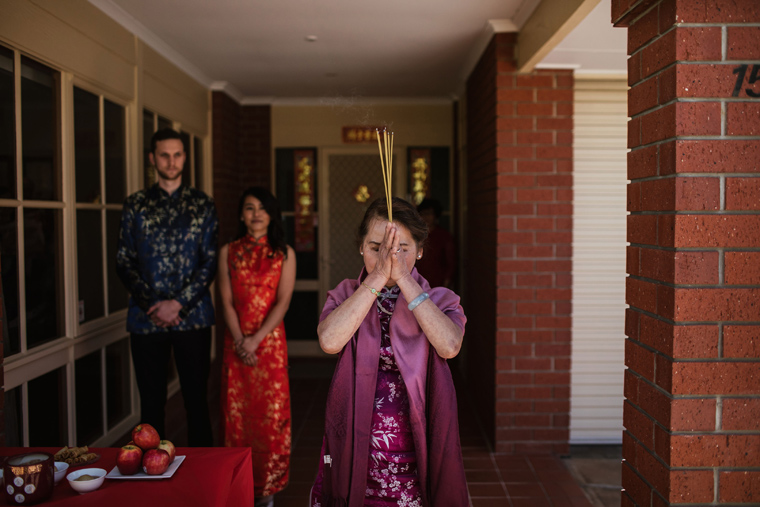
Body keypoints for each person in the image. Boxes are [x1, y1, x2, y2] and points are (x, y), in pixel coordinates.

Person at [310, 197, 468, 507]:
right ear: (361, 248)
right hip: (357, 442)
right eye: (376, 247)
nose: (389, 257)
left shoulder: (440, 299)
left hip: (418, 442)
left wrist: (404, 279)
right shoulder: (345, 294)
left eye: (401, 248)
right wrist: (378, 278)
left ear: (421, 250)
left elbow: (449, 345)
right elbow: (330, 341)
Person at [116, 128, 217, 447]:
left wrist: (178, 305)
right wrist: (154, 304)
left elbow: (209, 262)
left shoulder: (202, 204)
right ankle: (152, 479)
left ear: (184, 157)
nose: (171, 161)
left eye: (177, 155)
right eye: (164, 155)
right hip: (147, 320)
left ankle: (203, 479)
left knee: (197, 402)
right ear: (152, 158)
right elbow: (124, 260)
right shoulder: (136, 205)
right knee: (150, 408)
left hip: (194, 318)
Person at [218, 187, 296, 507]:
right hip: (236, 346)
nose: (256, 214)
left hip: (269, 345)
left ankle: (268, 491)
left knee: (271, 418)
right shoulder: (228, 251)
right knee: (235, 418)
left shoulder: (284, 253)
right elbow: (225, 300)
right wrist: (240, 340)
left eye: (263, 208)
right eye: (249, 208)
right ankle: (238, 486)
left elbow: (283, 302)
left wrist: (255, 339)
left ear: (272, 214)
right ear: (241, 215)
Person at [415, 198, 456, 289]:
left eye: (429, 213)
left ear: (436, 215)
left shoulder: (444, 236)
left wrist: (446, 283)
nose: (426, 217)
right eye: (423, 214)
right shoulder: (416, 235)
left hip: (437, 283)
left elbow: (451, 262)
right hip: (417, 282)